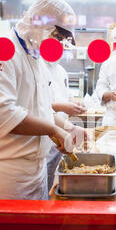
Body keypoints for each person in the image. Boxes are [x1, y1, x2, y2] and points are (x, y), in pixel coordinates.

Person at [0, 0, 86, 200]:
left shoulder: (34, 57)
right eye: (57, 36)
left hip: (33, 171)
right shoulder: (0, 51)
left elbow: (41, 108)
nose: (58, 44)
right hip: (4, 174)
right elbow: (0, 114)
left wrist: (68, 127)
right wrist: (52, 129)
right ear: (40, 24)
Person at [45, 58, 86, 193]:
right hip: (45, 136)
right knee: (46, 177)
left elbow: (66, 97)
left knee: (54, 179)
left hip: (62, 133)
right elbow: (39, 108)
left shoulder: (61, 71)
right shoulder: (38, 67)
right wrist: (63, 108)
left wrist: (74, 104)